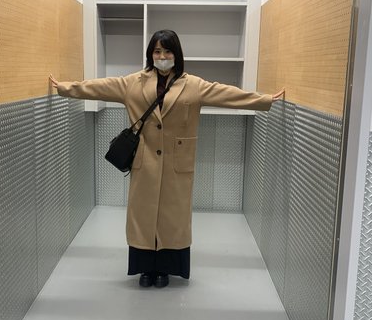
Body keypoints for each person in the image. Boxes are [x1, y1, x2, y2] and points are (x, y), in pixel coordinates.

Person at [50, 29, 284, 289]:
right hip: (144, 162)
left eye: (167, 51)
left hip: (177, 164)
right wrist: (64, 88)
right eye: (157, 51)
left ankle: (166, 269)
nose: (162, 57)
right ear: (150, 54)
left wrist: (263, 100)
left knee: (173, 218)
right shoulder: (133, 83)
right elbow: (98, 87)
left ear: (177, 54)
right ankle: (145, 269)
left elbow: (227, 94)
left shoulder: (193, 85)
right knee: (143, 216)